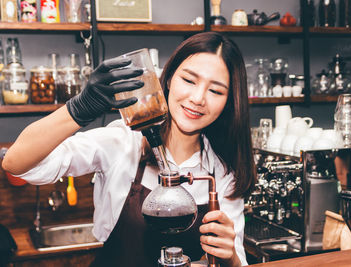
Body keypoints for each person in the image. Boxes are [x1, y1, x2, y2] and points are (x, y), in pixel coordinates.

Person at [2, 32, 256, 267]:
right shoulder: (122, 142)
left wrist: (230, 257)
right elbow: (16, 163)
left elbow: (237, 260)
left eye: (215, 90)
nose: (198, 98)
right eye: (189, 80)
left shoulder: (222, 171)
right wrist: (78, 109)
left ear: (228, 102)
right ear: (167, 80)